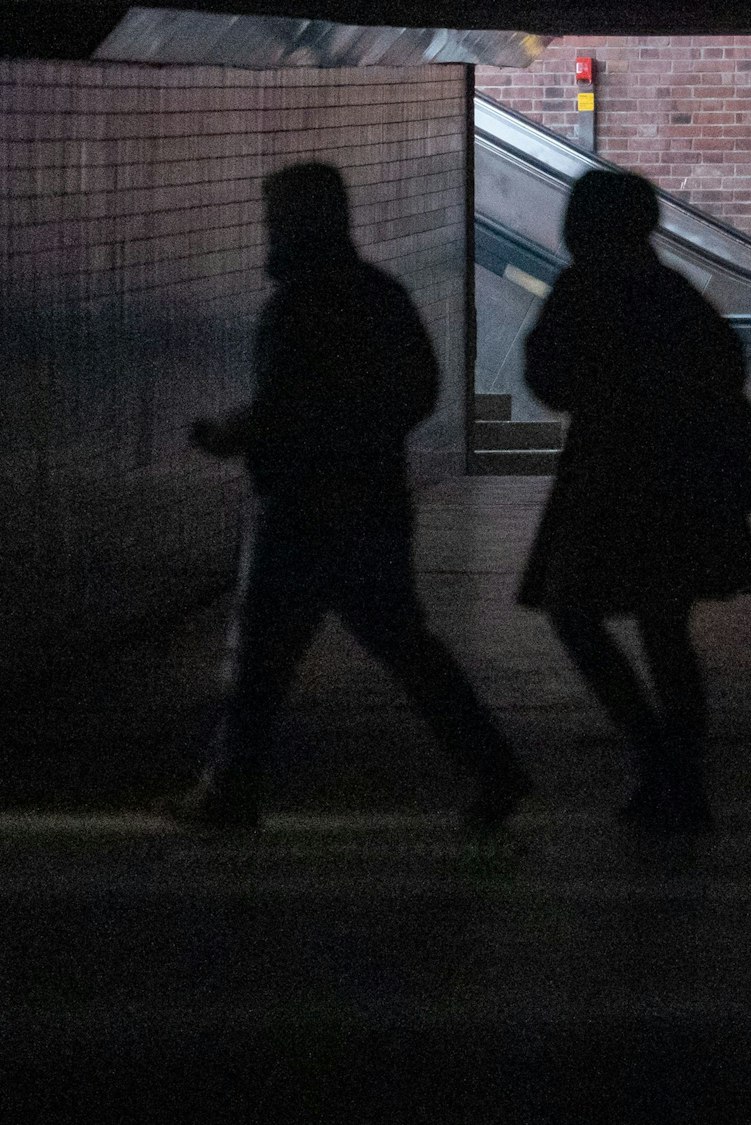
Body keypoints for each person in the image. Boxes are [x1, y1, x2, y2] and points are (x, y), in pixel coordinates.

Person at [168, 163, 528, 833]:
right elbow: (420, 387)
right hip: (371, 500)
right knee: (406, 647)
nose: (267, 232)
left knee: (261, 661)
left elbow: (280, 406)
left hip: (299, 509)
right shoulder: (379, 294)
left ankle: (230, 789)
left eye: (274, 220)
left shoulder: (295, 305)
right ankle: (494, 768)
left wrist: (227, 435)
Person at [516, 170, 751, 833]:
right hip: (679, 485)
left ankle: (654, 755)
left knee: (575, 612)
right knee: (667, 629)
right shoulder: (670, 289)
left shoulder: (582, 288)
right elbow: (727, 366)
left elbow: (548, 377)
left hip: (606, 478)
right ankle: (680, 772)